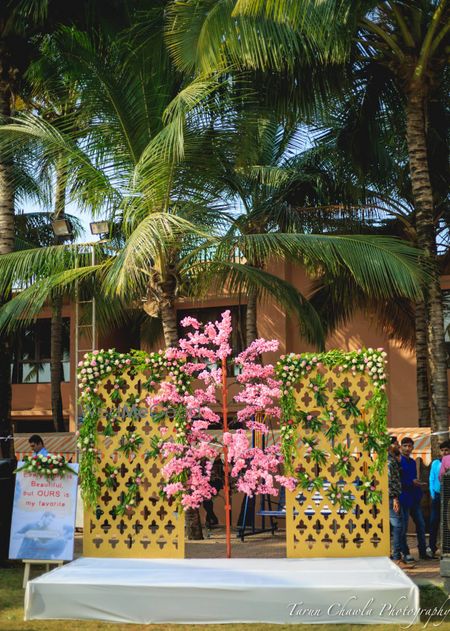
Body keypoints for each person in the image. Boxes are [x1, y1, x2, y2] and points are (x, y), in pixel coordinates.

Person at [399, 436, 428, 561]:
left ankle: (423, 552)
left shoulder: (412, 462)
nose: (407, 448)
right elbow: (398, 481)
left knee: (421, 525)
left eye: (409, 446)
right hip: (403, 498)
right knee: (403, 528)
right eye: (404, 446)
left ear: (413, 448)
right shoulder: (398, 461)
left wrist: (418, 485)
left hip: (414, 499)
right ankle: (405, 553)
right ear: (401, 447)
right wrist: (412, 482)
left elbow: (414, 478)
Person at [388, 436, 413, 568]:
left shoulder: (393, 460)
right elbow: (391, 482)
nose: (398, 445)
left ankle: (396, 555)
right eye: (396, 444)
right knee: (398, 526)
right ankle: (397, 557)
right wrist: (395, 498)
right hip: (392, 498)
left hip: (394, 497)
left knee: (397, 526)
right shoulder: (389, 462)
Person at [428, 440, 450, 557]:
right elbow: (431, 479)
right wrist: (432, 494)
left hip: (448, 496)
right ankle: (432, 547)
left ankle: (446, 548)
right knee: (433, 522)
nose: (444, 452)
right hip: (437, 495)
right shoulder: (436, 463)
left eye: (446, 450)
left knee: (447, 523)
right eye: (442, 450)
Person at [203, 457, 224, 528]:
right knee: (208, 503)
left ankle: (211, 520)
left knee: (207, 504)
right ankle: (211, 520)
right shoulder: (211, 465)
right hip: (210, 486)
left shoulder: (218, 464)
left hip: (214, 485)